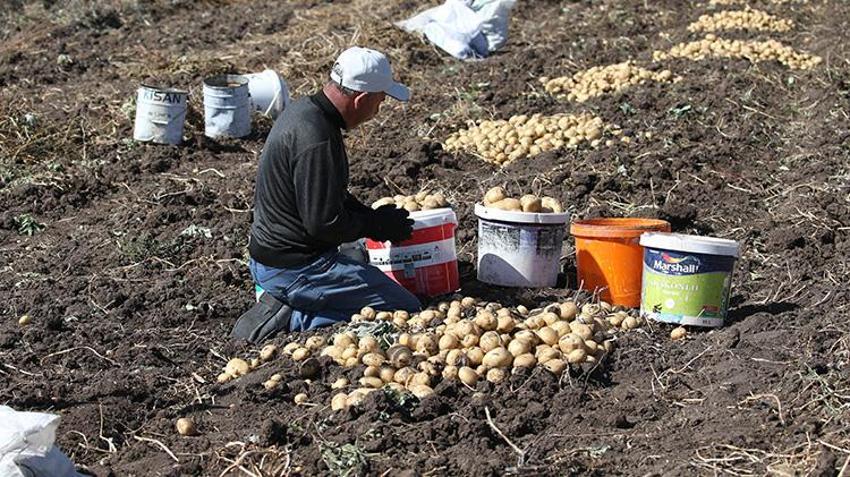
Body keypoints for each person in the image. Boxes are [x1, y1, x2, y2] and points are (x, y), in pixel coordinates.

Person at [231, 47, 422, 342]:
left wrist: (370, 218)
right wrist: (375, 226)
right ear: (361, 99)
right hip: (294, 266)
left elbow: (327, 197)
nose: (377, 113)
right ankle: (293, 314)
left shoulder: (306, 112)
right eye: (379, 103)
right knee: (405, 307)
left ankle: (297, 297)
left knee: (358, 252)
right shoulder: (315, 138)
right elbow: (324, 223)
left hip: (276, 257)